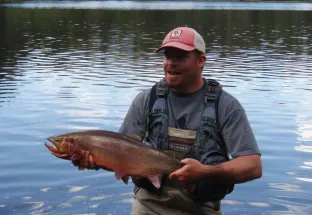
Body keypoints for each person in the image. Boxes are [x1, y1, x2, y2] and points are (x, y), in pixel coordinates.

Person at [75, 26, 262, 215]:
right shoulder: (146, 100)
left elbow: (253, 166)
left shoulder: (226, 105)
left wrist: (204, 172)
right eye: (167, 56)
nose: (171, 63)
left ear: (201, 61)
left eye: (180, 57)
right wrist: (97, 159)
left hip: (201, 208)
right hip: (148, 204)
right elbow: (121, 155)